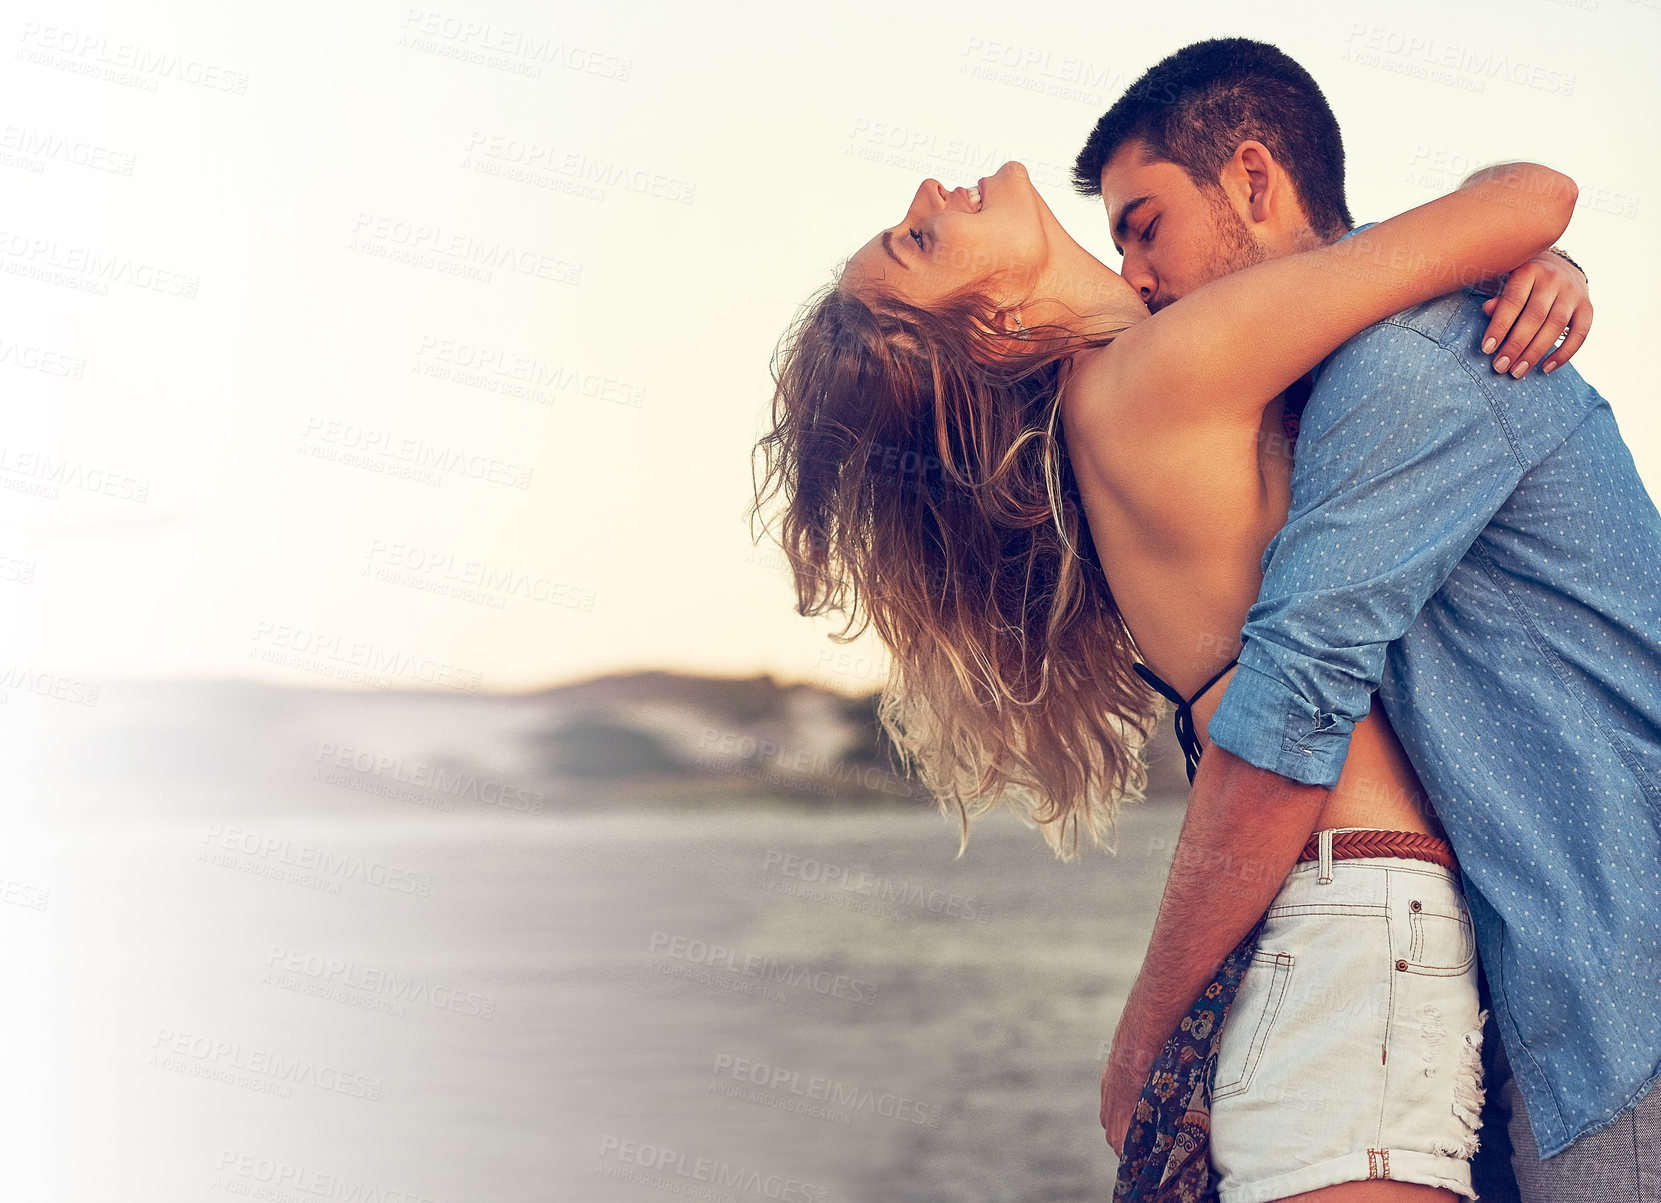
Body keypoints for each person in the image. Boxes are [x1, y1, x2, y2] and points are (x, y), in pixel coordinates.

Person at [750, 114, 1589, 1203]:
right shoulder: (1164, 372)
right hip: (1347, 916)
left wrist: (1533, 265)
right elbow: (1528, 195)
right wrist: (1537, 252)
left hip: (1320, 919)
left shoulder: (1120, 405)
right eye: (915, 245)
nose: (923, 192)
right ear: (997, 324)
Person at [1074, 38, 1661, 1203]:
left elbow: (1291, 709)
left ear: (1251, 180)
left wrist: (1147, 1036)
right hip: (1550, 993)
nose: (1134, 276)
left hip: (1616, 986)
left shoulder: (1406, 361)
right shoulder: (1351, 370)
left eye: (1144, 224)